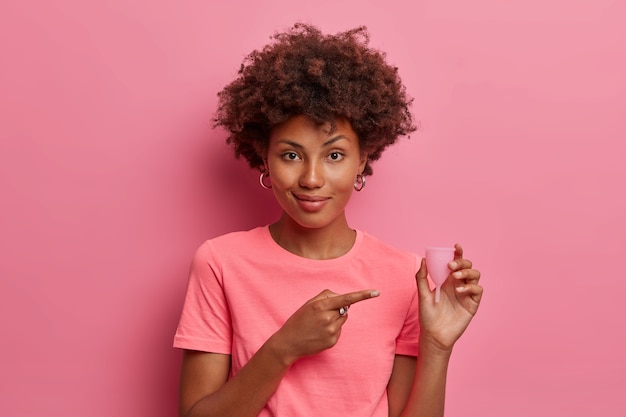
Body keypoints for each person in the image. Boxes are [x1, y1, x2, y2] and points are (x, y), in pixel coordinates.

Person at [173, 23, 483, 417]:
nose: (312, 179)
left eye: (334, 155)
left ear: (362, 160)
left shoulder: (406, 277)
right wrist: (283, 348)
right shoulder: (220, 263)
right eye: (291, 155)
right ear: (264, 156)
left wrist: (437, 347)